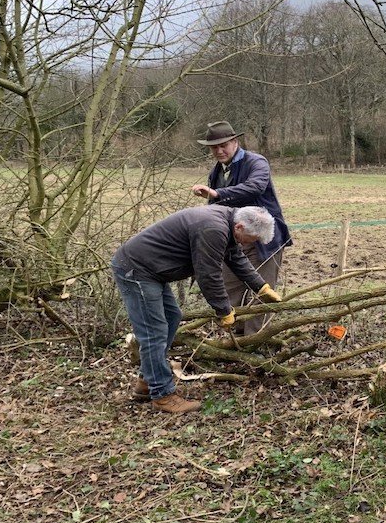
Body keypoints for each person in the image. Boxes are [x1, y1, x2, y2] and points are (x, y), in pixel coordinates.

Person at [112, 205, 283, 414]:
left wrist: (261, 286)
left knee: (172, 317)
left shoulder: (228, 224)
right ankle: (162, 396)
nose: (248, 244)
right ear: (239, 227)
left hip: (151, 271)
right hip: (137, 270)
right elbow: (208, 273)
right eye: (251, 239)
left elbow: (235, 257)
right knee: (153, 332)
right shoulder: (212, 228)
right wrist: (223, 310)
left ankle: (148, 380)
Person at [191, 121, 291, 335]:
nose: (219, 151)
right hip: (233, 242)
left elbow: (255, 187)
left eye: (223, 145)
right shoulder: (216, 172)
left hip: (263, 240)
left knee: (262, 293)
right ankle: (235, 339)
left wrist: (218, 193)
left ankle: (257, 342)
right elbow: (214, 210)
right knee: (229, 289)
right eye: (214, 147)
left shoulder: (256, 162)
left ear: (235, 142)